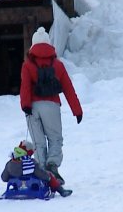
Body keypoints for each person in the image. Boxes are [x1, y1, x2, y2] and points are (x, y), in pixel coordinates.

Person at [19, 26, 83, 184]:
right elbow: (68, 88)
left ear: (33, 45)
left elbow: (25, 87)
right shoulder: (58, 65)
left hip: (33, 106)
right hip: (52, 106)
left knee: (38, 141)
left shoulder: (27, 65)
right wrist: (77, 110)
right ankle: (52, 165)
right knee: (55, 138)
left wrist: (25, 105)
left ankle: (41, 171)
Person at [1, 141, 72, 197]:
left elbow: (4, 178)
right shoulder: (31, 163)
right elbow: (40, 174)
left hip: (18, 184)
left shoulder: (9, 164)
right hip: (31, 184)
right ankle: (61, 190)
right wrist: (49, 178)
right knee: (49, 175)